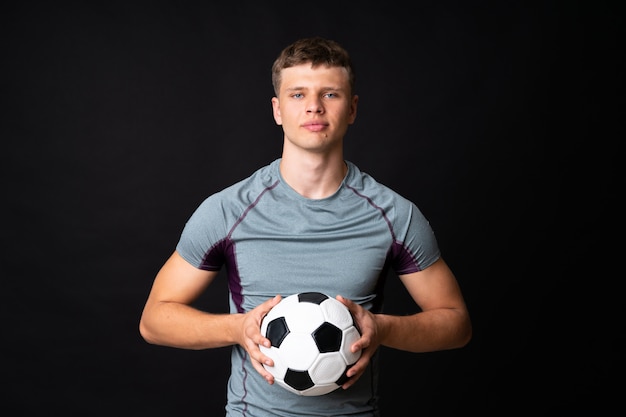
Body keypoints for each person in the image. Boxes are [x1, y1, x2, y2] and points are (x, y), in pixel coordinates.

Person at [139, 36, 472, 416]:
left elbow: (456, 324)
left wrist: (383, 329)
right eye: (298, 95)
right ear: (277, 110)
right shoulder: (229, 211)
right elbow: (154, 320)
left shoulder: (394, 215)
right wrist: (237, 329)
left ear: (352, 109)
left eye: (330, 94)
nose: (313, 107)